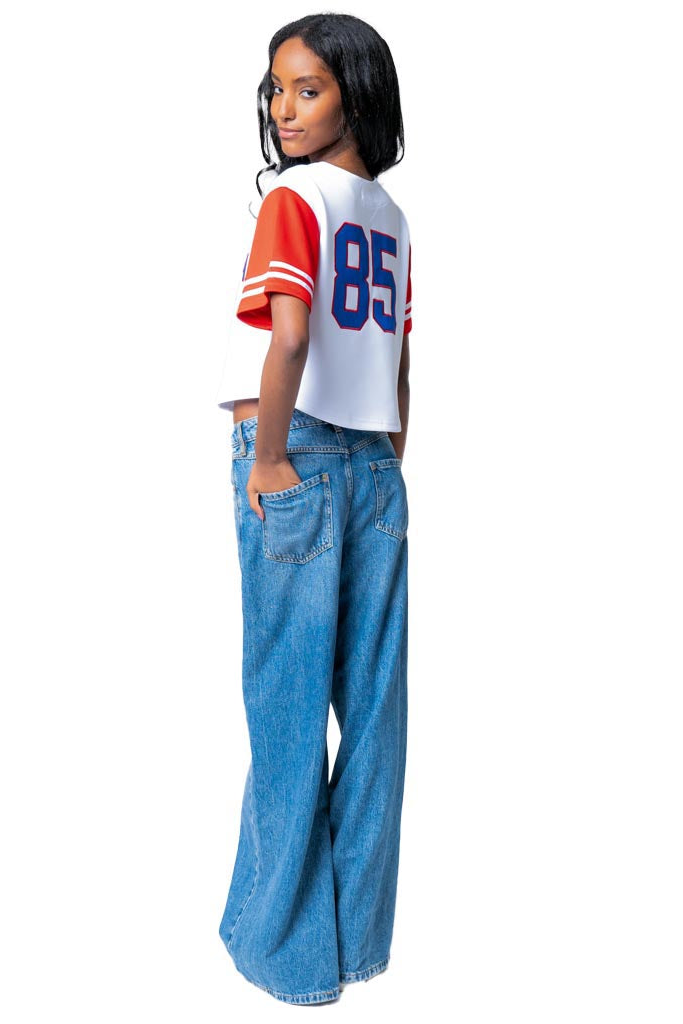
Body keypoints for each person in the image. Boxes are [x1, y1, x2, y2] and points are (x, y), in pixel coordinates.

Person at [214, 13, 412, 1006]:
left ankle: (284, 959)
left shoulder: (294, 198)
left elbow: (289, 335)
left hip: (294, 454)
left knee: (286, 710)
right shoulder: (390, 217)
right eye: (276, 88)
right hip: (375, 467)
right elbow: (401, 362)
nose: (282, 109)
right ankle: (355, 945)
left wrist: (272, 457)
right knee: (374, 713)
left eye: (307, 89)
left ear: (354, 96)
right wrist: (386, 467)